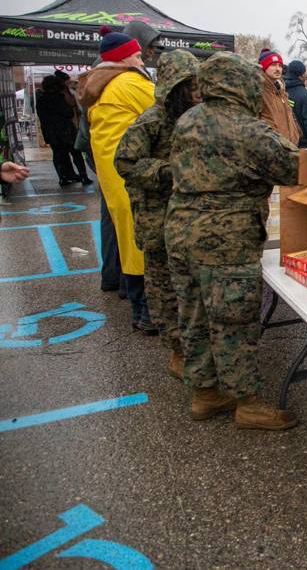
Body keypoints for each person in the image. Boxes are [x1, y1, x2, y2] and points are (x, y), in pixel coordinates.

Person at [165, 52, 299, 430]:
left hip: (180, 233)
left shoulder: (188, 120)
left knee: (194, 315)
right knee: (234, 321)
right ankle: (248, 403)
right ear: (239, 84)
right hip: (225, 239)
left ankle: (205, 393)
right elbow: (295, 166)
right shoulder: (247, 129)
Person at [115, 50, 200, 380]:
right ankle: (177, 351)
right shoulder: (151, 122)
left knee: (190, 288)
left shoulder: (195, 117)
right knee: (165, 290)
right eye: (190, 87)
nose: (197, 93)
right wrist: (167, 172)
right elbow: (125, 163)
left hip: (188, 218)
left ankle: (194, 346)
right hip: (158, 219)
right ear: (174, 87)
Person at [77, 26, 156, 334]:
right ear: (123, 59)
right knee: (142, 241)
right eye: (137, 56)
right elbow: (166, 110)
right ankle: (148, 311)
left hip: (111, 174)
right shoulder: (129, 82)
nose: (141, 61)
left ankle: (139, 308)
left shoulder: (100, 85)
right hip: (132, 175)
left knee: (126, 237)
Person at [35, 74, 91, 186]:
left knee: (58, 155)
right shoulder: (59, 97)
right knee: (76, 154)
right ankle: (83, 176)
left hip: (51, 132)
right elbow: (68, 112)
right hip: (65, 130)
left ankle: (63, 177)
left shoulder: (41, 99)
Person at [257, 49, 302, 145]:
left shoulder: (281, 91)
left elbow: (291, 117)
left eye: (280, 65)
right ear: (263, 67)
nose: (278, 69)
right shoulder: (258, 92)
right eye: (273, 65)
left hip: (289, 149)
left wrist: (296, 134)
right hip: (272, 151)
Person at [284, 60, 307, 147]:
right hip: (301, 143)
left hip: (284, 140)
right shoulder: (305, 96)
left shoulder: (281, 91)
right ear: (301, 75)